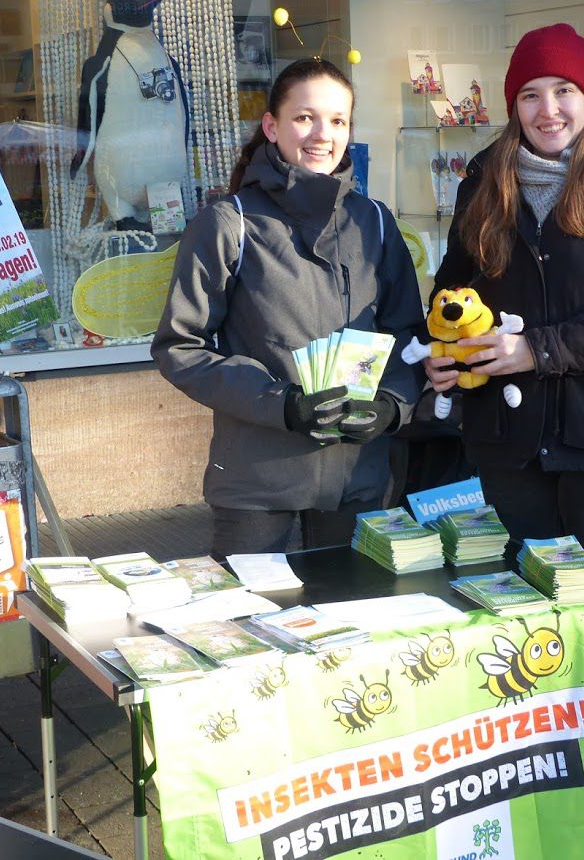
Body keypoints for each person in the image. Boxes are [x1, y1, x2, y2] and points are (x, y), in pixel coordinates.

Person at [420, 23, 584, 588]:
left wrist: (537, 350)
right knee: (521, 614)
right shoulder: (482, 183)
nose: (548, 110)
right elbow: (451, 294)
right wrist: (443, 351)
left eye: (563, 90)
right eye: (529, 94)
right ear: (513, 104)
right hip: (505, 441)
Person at [152, 58, 424, 560]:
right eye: (305, 117)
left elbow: (408, 338)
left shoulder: (376, 224)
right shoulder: (228, 224)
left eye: (338, 120)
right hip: (259, 481)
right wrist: (280, 403)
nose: (323, 133)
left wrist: (391, 406)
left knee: (353, 624)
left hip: (357, 476)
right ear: (272, 126)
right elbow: (180, 348)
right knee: (248, 625)